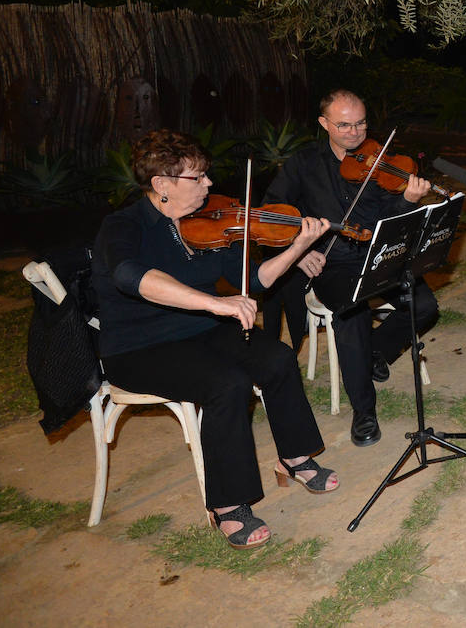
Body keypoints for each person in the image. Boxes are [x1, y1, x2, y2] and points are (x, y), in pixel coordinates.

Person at [90, 130, 339, 550]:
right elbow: (133, 278)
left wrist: (299, 245)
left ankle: (293, 457)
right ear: (162, 184)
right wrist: (214, 303)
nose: (209, 185)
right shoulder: (123, 226)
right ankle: (228, 504)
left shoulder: (205, 224)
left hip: (200, 332)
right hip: (139, 347)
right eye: (198, 177)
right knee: (228, 383)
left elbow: (257, 279)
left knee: (276, 358)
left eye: (207, 176)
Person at [263, 89, 440, 448]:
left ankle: (375, 351)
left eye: (360, 123)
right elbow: (270, 213)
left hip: (380, 253)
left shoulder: (380, 161)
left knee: (425, 306)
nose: (354, 132)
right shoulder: (303, 164)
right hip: (333, 262)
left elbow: (396, 221)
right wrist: (297, 254)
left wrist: (406, 199)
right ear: (324, 124)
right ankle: (364, 410)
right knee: (353, 311)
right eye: (344, 125)